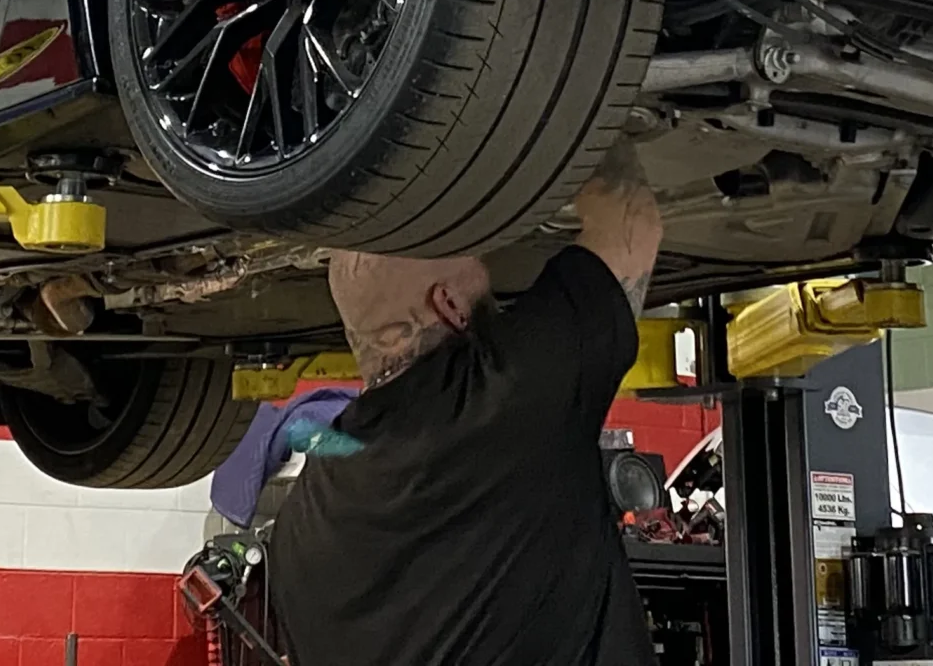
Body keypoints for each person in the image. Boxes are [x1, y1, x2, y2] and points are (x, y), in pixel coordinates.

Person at [265, 138, 664, 666]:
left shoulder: (303, 521)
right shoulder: (505, 395)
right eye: (478, 261)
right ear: (448, 303)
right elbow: (630, 223)